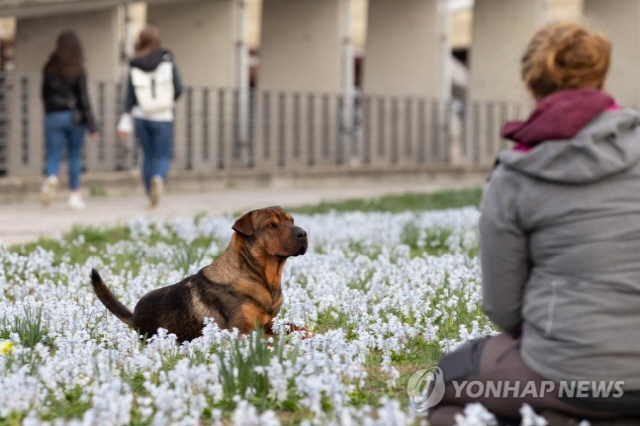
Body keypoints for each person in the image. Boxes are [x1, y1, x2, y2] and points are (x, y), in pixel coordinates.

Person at [428, 22, 640, 425]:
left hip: (572, 376)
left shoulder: (516, 174)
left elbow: (504, 308)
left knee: (445, 384)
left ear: (530, 86)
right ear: (601, 79)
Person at [117, 25, 183, 207]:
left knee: (147, 155)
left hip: (140, 115)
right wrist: (169, 102)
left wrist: (125, 116)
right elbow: (178, 87)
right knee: (163, 156)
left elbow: (129, 96)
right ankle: (158, 178)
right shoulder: (167, 58)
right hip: (162, 116)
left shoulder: (133, 62)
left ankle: (149, 195)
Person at [41, 30, 98, 210]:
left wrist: (51, 111)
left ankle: (51, 178)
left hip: (54, 116)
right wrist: (92, 125)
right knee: (74, 155)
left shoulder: (49, 68)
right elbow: (84, 98)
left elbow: (43, 94)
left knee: (54, 154)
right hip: (74, 117)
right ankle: (74, 195)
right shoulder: (78, 68)